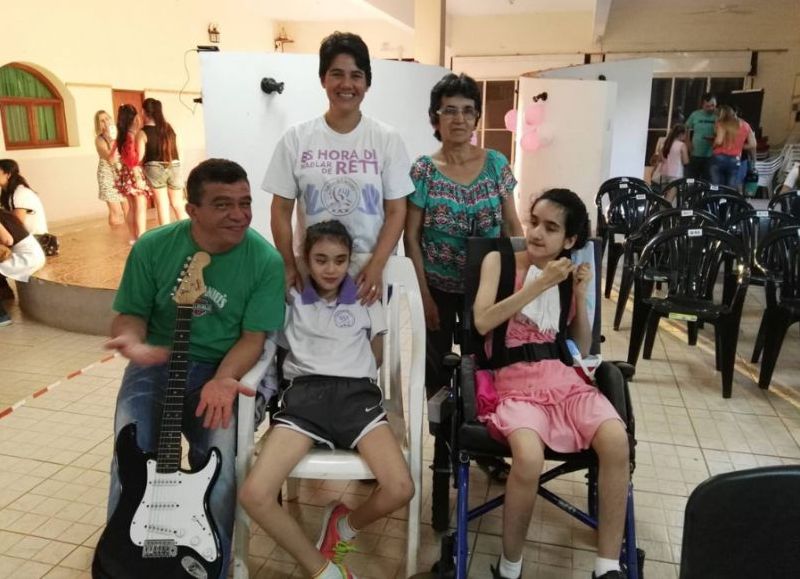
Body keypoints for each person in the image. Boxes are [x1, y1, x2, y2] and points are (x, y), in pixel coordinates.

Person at [104, 158, 286, 578]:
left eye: (245, 202)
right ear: (192, 210)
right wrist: (132, 340)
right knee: (131, 447)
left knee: (220, 461)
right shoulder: (153, 247)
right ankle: (121, 561)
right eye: (223, 204)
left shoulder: (265, 261)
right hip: (158, 361)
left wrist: (224, 378)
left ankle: (209, 566)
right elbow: (131, 314)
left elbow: (253, 338)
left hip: (222, 365)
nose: (239, 214)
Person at [239, 219, 414, 579]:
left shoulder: (366, 295)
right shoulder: (290, 297)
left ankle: (344, 526)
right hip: (305, 402)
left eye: (339, 260)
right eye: (320, 259)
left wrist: (349, 368)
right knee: (254, 494)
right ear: (305, 259)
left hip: (358, 401)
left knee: (401, 488)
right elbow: (271, 348)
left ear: (349, 259)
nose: (331, 268)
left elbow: (377, 353)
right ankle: (324, 571)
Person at [472, 189, 630, 579]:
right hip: (512, 381)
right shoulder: (499, 261)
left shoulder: (565, 275)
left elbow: (580, 344)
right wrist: (538, 285)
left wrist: (579, 293)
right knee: (528, 456)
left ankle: (607, 565)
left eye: (551, 228)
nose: (537, 233)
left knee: (616, 440)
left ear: (570, 240)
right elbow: (482, 321)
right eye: (534, 222)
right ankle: (510, 566)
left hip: (561, 379)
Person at [404, 72, 523, 480]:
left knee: (486, 365)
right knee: (437, 371)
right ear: (435, 118)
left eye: (467, 111)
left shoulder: (496, 164)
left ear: (476, 118)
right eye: (449, 111)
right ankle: (443, 449)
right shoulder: (423, 170)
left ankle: (485, 445)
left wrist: (521, 281)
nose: (459, 119)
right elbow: (411, 236)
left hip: (486, 288)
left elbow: (512, 224)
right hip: (437, 286)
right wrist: (424, 296)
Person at [264, 31, 413, 305]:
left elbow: (396, 211)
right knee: (309, 331)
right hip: (312, 270)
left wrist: (377, 265)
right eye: (337, 74)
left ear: (367, 83)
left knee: (372, 333)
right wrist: (288, 264)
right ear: (323, 79)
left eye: (356, 75)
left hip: (370, 271)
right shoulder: (296, 138)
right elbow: (280, 210)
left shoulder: (386, 139)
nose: (347, 84)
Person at [137, 97, 188, 224]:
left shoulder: (142, 133)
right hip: (174, 165)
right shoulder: (169, 128)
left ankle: (166, 234)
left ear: (143, 112)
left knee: (162, 205)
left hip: (154, 167)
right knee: (178, 203)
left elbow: (139, 157)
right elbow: (179, 150)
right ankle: (189, 231)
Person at [0, 210, 46, 326]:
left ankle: (2, 316)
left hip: (26, 258)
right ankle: (5, 293)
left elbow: (8, 240)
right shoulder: (3, 213)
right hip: (33, 256)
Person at [113, 104, 151, 242]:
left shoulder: (122, 135)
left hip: (126, 173)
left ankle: (133, 236)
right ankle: (141, 237)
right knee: (140, 206)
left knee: (132, 207)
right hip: (133, 172)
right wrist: (137, 177)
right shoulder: (131, 136)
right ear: (133, 118)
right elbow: (132, 160)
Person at [709, 105, 756, 190]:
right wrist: (739, 146)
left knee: (716, 185)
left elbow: (719, 141)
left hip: (719, 157)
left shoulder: (722, 123)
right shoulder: (745, 125)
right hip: (735, 158)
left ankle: (717, 197)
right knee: (731, 186)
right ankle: (728, 197)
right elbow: (753, 144)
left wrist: (713, 146)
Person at [93, 110, 128, 226]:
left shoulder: (121, 135)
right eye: (102, 121)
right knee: (116, 212)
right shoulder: (99, 140)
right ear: (99, 124)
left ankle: (130, 233)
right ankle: (116, 235)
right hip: (107, 175)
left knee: (127, 208)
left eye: (107, 119)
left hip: (122, 174)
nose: (106, 122)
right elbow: (111, 159)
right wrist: (111, 139)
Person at [0, 159, 49, 235]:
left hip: (35, 240)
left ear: (8, 174)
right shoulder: (9, 193)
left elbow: (16, 224)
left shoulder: (20, 193)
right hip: (25, 238)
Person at [652, 124, 690, 202]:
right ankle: (664, 210)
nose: (686, 136)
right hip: (676, 175)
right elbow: (686, 161)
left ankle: (658, 209)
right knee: (669, 200)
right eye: (685, 134)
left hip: (664, 174)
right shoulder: (682, 145)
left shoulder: (666, 143)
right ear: (681, 134)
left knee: (663, 198)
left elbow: (660, 159)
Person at [685, 93, 717, 180]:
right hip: (695, 152)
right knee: (692, 180)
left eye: (713, 105)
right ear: (702, 105)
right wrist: (688, 142)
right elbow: (686, 128)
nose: (711, 108)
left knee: (708, 181)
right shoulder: (695, 115)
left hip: (711, 154)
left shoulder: (718, 115)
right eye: (708, 106)